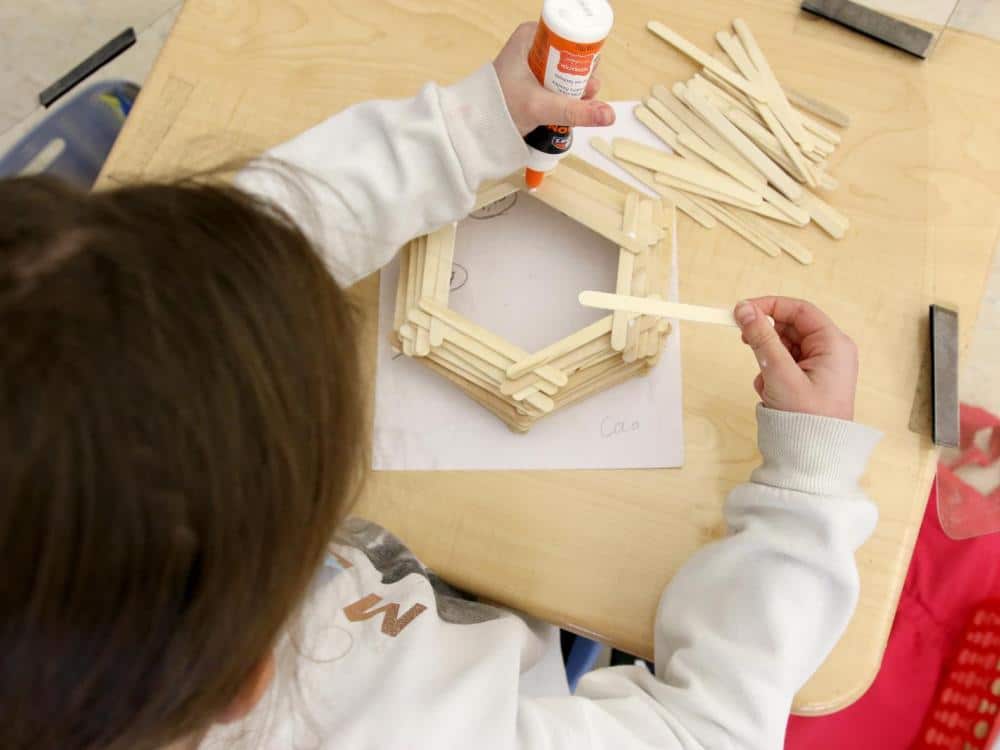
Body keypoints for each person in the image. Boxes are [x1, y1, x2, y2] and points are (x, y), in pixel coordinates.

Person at [0, 22, 879, 750]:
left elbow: (237, 258)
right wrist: (804, 492)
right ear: (250, 678)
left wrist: (463, 134)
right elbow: (709, 734)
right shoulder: (391, 724)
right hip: (482, 635)